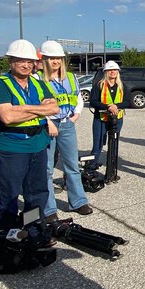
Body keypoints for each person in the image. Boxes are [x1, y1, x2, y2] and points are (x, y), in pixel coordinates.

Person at [0, 39, 59, 228]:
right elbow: (7, 117)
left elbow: (54, 108)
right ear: (11, 61)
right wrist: (39, 108)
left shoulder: (38, 84)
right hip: (12, 146)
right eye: (21, 60)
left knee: (37, 192)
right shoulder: (0, 85)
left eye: (30, 61)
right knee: (10, 192)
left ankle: (32, 227)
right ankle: (9, 232)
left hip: (38, 143)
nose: (26, 65)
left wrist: (23, 108)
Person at [39, 40, 92, 221]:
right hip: (47, 127)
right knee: (46, 169)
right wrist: (48, 122)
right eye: (51, 58)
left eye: (58, 58)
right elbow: (35, 105)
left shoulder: (70, 77)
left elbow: (77, 98)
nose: (55, 61)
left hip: (67, 124)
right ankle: (48, 210)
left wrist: (75, 115)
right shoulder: (38, 79)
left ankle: (78, 202)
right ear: (45, 59)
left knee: (72, 165)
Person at [89, 61, 127, 173]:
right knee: (98, 145)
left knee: (114, 145)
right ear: (105, 72)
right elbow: (93, 101)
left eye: (115, 70)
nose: (112, 72)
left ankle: (112, 170)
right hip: (100, 119)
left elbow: (127, 101)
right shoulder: (99, 85)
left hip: (117, 119)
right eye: (110, 70)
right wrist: (108, 107)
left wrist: (116, 106)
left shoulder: (121, 86)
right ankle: (91, 169)